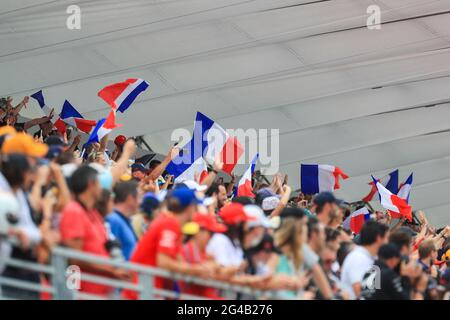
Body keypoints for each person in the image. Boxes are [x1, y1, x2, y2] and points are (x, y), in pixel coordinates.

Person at [123, 188, 214, 299]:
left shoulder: (171, 224)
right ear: (190, 208)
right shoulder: (170, 225)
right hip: (141, 291)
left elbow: (178, 259)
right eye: (196, 207)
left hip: (147, 288)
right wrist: (195, 270)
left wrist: (199, 268)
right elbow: (163, 262)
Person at [59, 166, 128, 297]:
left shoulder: (92, 212)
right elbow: (75, 259)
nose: (102, 189)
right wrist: (111, 271)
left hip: (100, 292)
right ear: (91, 185)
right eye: (99, 184)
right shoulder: (74, 211)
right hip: (83, 293)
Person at [181, 213, 227, 298]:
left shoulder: (203, 252)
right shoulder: (189, 248)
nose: (211, 238)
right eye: (210, 233)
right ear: (198, 231)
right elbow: (204, 273)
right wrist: (214, 266)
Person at [340, 220, 389, 299]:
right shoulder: (358, 258)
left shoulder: (372, 257)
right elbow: (361, 293)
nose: (388, 242)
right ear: (379, 238)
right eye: (387, 238)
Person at [105, 181, 139, 260]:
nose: (140, 202)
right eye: (138, 198)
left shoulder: (123, 220)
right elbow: (110, 253)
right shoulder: (113, 220)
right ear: (130, 198)